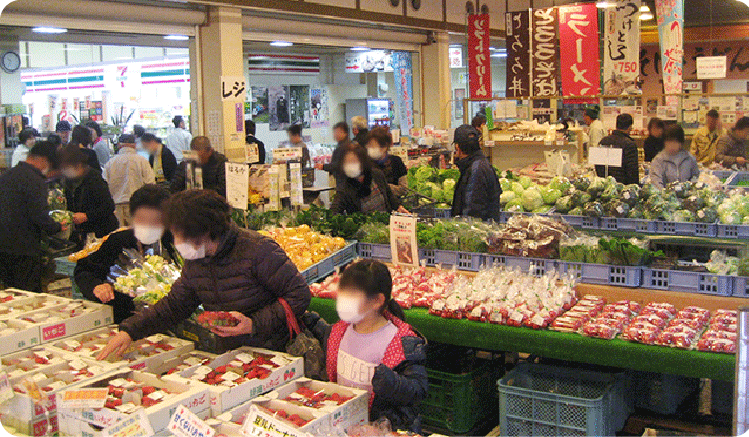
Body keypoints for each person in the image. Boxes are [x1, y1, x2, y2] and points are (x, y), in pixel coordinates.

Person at [95, 189, 312, 359]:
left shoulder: (258, 249)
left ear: (206, 230)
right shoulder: (195, 261)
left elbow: (300, 294)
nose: (178, 242)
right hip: (232, 354)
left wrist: (253, 323)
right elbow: (175, 305)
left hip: (277, 350)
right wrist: (130, 331)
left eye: (182, 235)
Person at [308, 259, 427, 433]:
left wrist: (391, 382)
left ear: (377, 300)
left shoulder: (400, 342)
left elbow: (418, 389)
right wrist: (312, 323)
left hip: (379, 430)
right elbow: (328, 338)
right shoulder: (340, 331)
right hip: (343, 425)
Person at [75, 185, 176, 323]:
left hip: (169, 320)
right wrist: (97, 286)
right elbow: (85, 270)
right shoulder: (119, 241)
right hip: (125, 320)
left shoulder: (174, 243)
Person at [0, 141, 64, 292]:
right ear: (43, 160)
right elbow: (39, 215)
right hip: (24, 248)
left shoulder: (6, 175)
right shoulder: (35, 181)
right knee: (28, 293)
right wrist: (56, 226)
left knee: (9, 293)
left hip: (3, 246)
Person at [59, 146, 118, 248]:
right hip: (83, 234)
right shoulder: (69, 181)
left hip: (100, 232)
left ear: (78, 166)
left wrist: (87, 216)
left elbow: (108, 206)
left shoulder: (94, 179)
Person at [331, 143, 406, 215]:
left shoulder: (376, 174)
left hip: (386, 224)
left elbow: (389, 195)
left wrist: (399, 207)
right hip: (364, 227)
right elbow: (335, 210)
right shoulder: (344, 187)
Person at [450, 125, 501, 221]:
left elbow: (472, 210)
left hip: (478, 230)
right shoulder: (479, 164)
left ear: (458, 147)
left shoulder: (476, 170)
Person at [104, 134, 156, 226]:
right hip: (137, 206)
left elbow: (104, 186)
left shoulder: (110, 163)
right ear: (134, 145)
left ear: (119, 145)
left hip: (116, 206)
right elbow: (151, 184)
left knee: (119, 236)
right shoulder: (142, 161)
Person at [596, 113, 639, 185]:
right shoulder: (629, 144)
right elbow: (632, 171)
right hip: (622, 187)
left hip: (605, 186)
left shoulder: (603, 141)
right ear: (630, 127)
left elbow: (598, 166)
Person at [366, 127, 408, 196]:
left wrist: (382, 186)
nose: (370, 149)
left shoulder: (396, 162)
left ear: (384, 146)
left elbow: (404, 189)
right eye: (369, 146)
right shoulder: (367, 164)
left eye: (374, 146)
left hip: (395, 204)